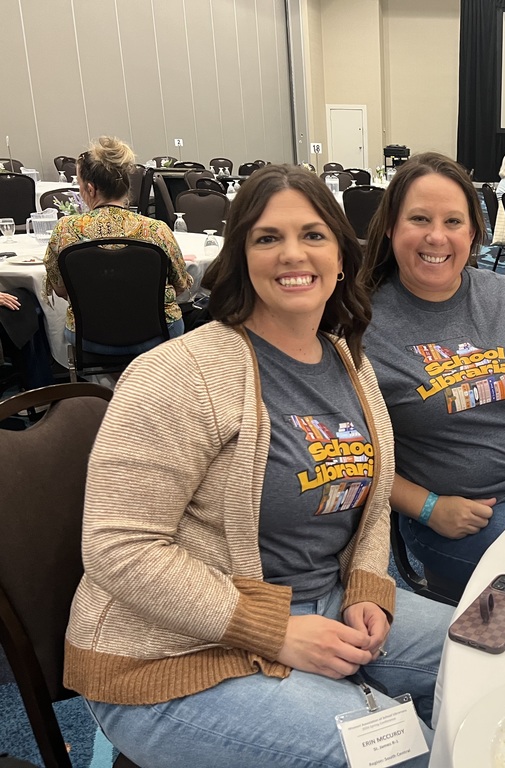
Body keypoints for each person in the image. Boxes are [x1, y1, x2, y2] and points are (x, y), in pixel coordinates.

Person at [63, 165, 452, 768]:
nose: (292, 253)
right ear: (241, 255)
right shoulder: (178, 374)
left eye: (313, 235)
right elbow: (118, 546)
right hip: (173, 656)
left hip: (324, 604)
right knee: (401, 753)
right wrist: (274, 631)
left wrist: (370, 589)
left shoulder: (348, 360)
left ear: (342, 256)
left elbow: (371, 505)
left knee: (493, 659)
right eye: (268, 238)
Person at [360, 151, 505, 594]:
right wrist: (427, 508)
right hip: (466, 514)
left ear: (473, 232)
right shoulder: (362, 326)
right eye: (419, 220)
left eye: (452, 222)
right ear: (390, 227)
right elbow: (350, 458)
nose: (436, 237)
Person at [43, 136, 192, 355]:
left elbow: (61, 289)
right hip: (158, 334)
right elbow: (180, 285)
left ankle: (113, 385)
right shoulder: (156, 230)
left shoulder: (65, 229)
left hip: (89, 336)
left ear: (91, 189)